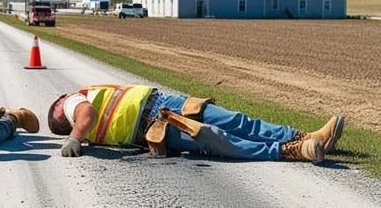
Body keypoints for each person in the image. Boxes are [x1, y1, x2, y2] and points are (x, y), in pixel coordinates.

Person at [47, 84, 344, 163]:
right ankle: (292, 149)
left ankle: (305, 136)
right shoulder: (75, 107)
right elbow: (86, 114)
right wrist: (74, 137)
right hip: (156, 127)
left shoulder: (85, 112)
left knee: (232, 124)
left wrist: (77, 137)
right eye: (62, 102)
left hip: (163, 107)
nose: (66, 99)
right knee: (221, 138)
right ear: (61, 109)